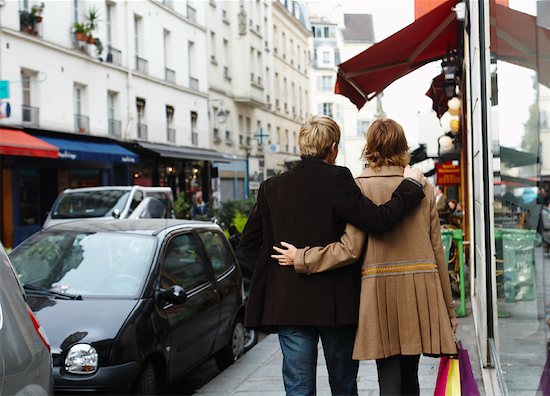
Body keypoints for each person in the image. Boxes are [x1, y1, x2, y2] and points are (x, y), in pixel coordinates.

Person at [239, 115, 426, 396]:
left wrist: (280, 275)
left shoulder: (271, 187)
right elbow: (377, 220)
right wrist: (411, 188)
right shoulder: (339, 179)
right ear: (333, 148)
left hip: (289, 304)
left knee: (298, 388)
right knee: (343, 386)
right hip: (336, 306)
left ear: (302, 146)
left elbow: (248, 244)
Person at [273, 119, 458, 396]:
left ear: (369, 147)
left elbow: (350, 248)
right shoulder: (422, 187)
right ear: (402, 147)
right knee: (411, 374)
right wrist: (449, 308)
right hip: (419, 290)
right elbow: (436, 251)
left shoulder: (358, 186)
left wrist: (303, 258)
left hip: (378, 291)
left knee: (388, 374)